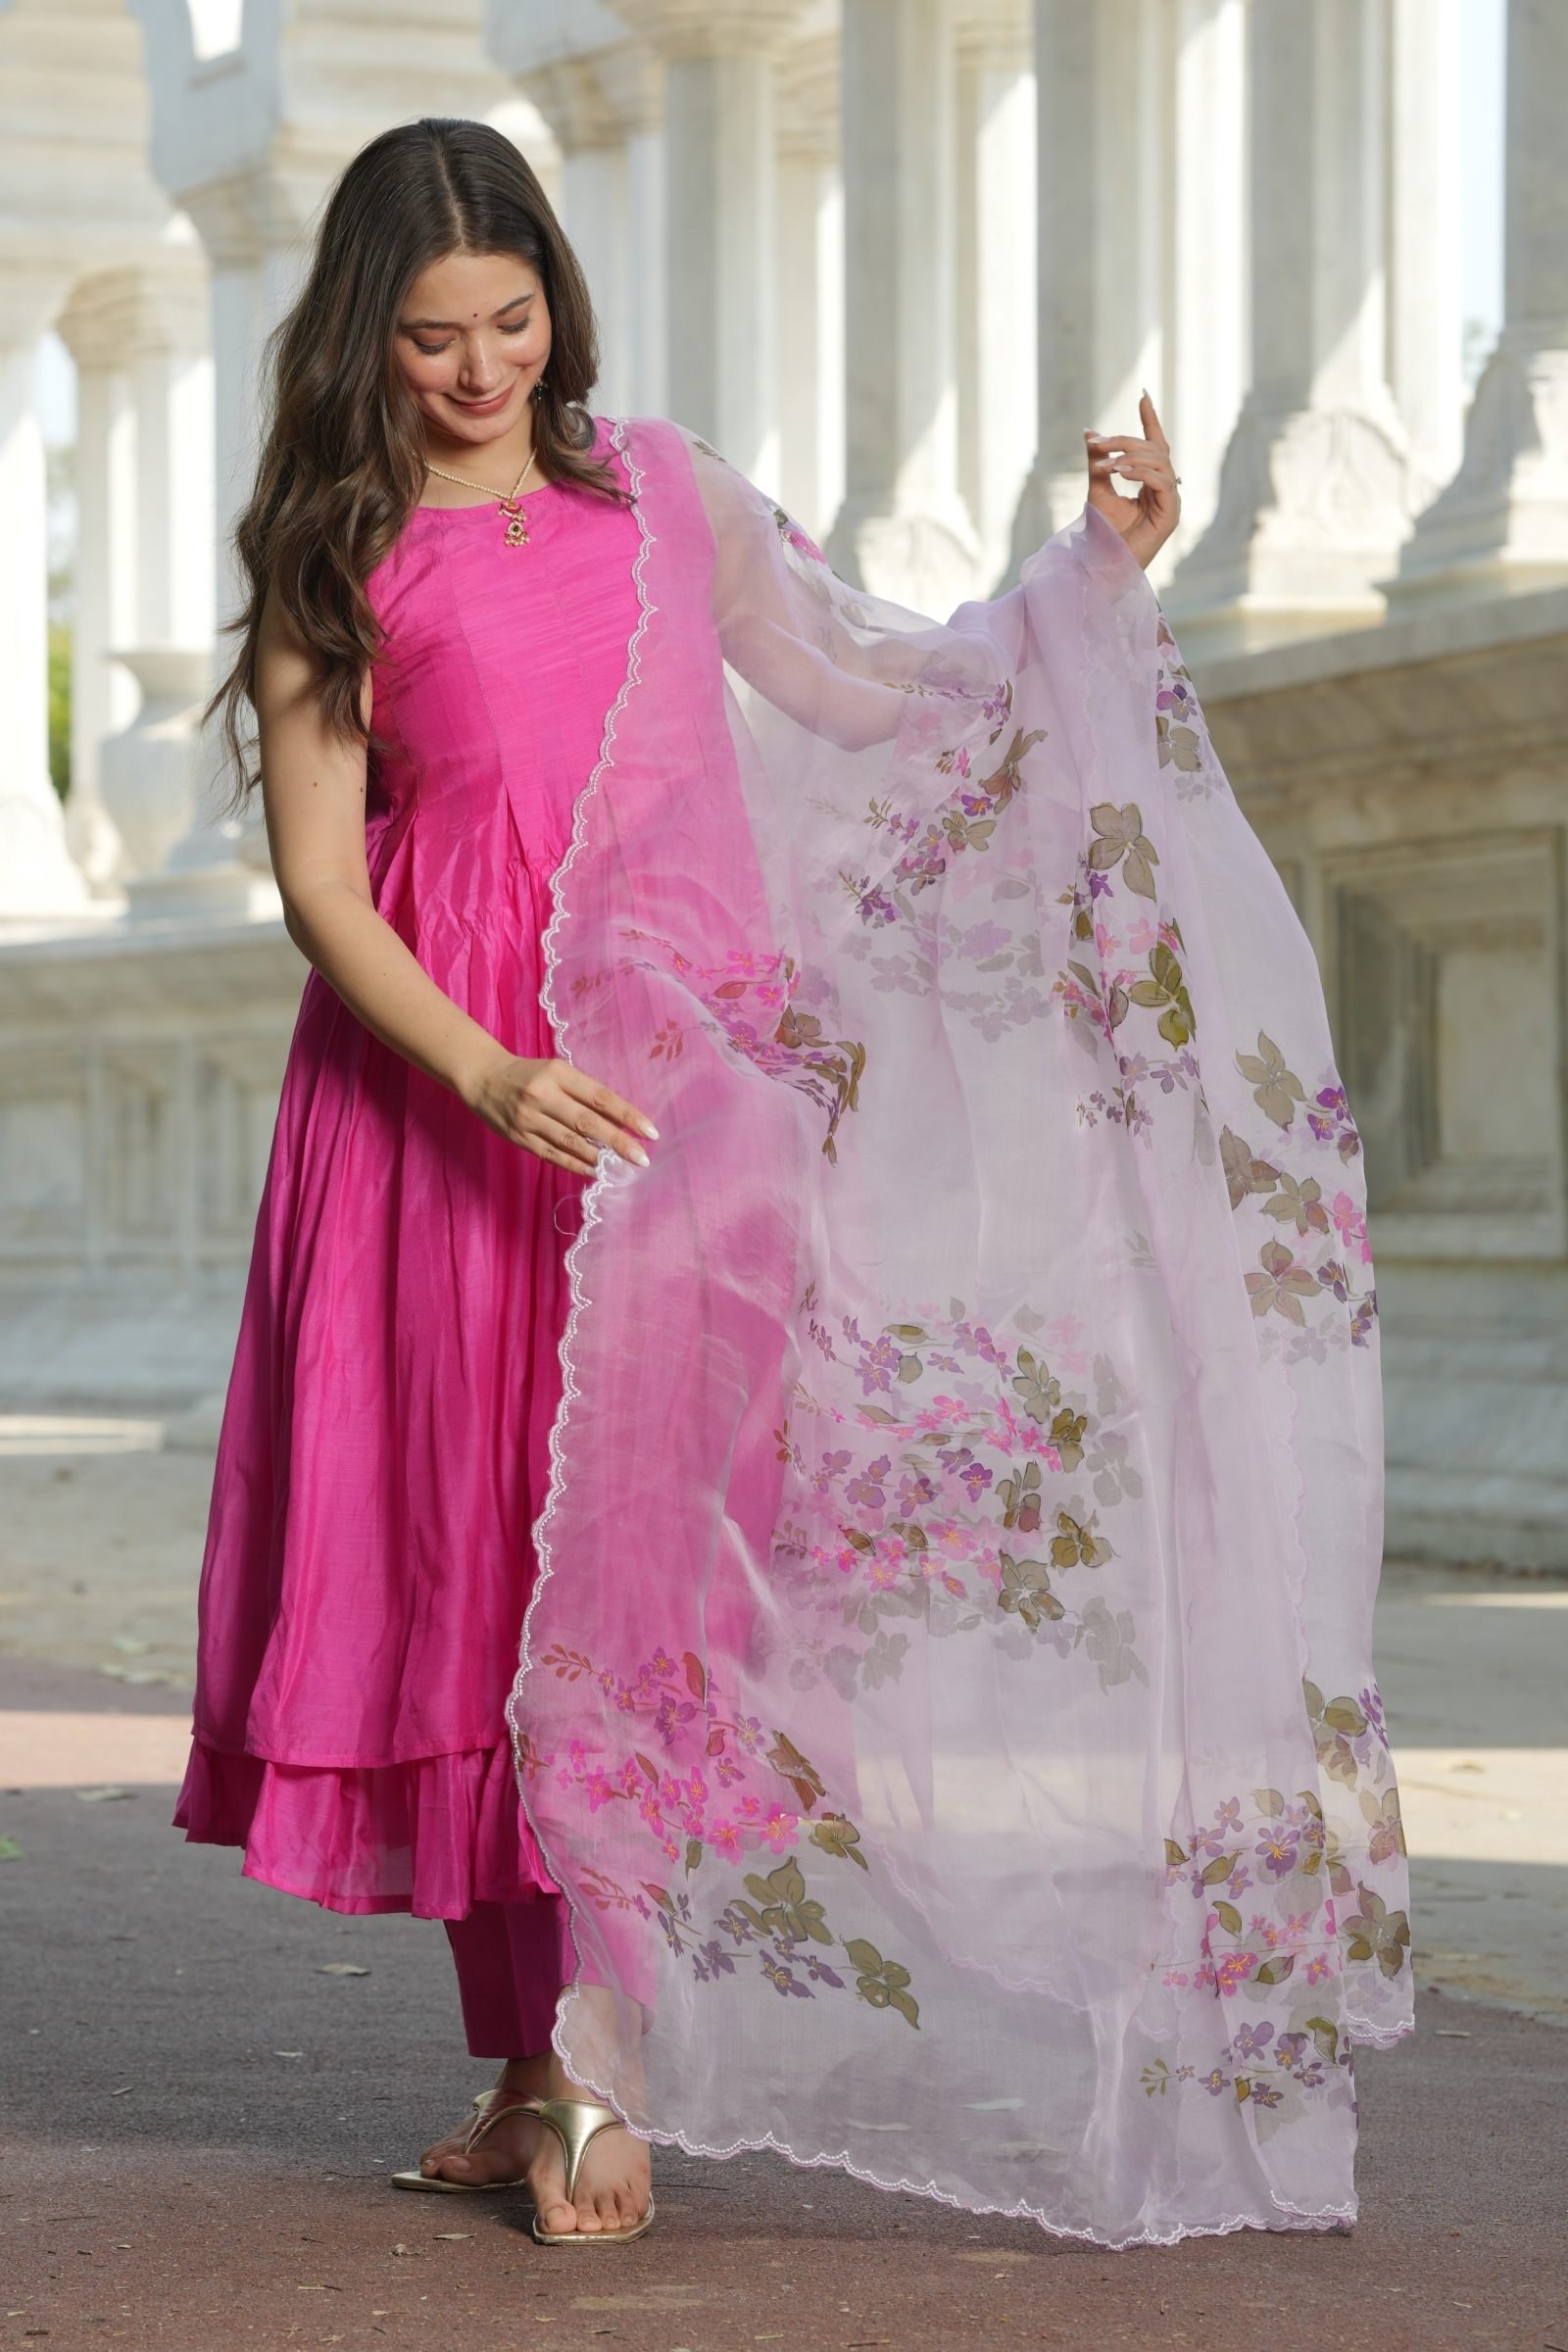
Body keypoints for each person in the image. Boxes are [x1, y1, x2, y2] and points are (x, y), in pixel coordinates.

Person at [177, 116, 1410, 2254]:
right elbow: (315, 882)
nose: (478, 369)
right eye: (430, 337)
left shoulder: (660, 493)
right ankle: (532, 2051)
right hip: (434, 1104)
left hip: (676, 1112)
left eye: (511, 320)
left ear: (557, 300)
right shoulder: (331, 555)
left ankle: (604, 2044)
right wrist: (486, 1069)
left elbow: (867, 692)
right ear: (360, 345)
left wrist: (1087, 578)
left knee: (644, 1557)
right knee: (474, 1558)